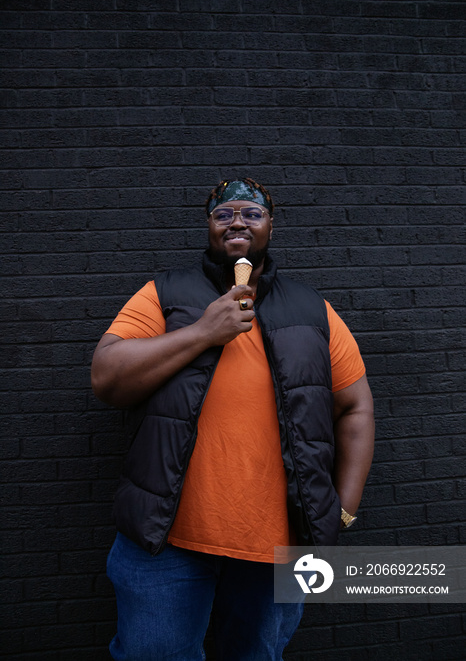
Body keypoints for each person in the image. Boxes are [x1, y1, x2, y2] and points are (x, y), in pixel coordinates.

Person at [91, 178, 375, 661]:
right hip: (164, 541)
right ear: (209, 226)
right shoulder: (165, 292)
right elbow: (106, 376)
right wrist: (203, 331)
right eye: (224, 214)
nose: (237, 222)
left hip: (276, 546)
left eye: (251, 213)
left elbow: (356, 407)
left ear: (270, 225)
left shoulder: (313, 309)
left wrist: (343, 506)